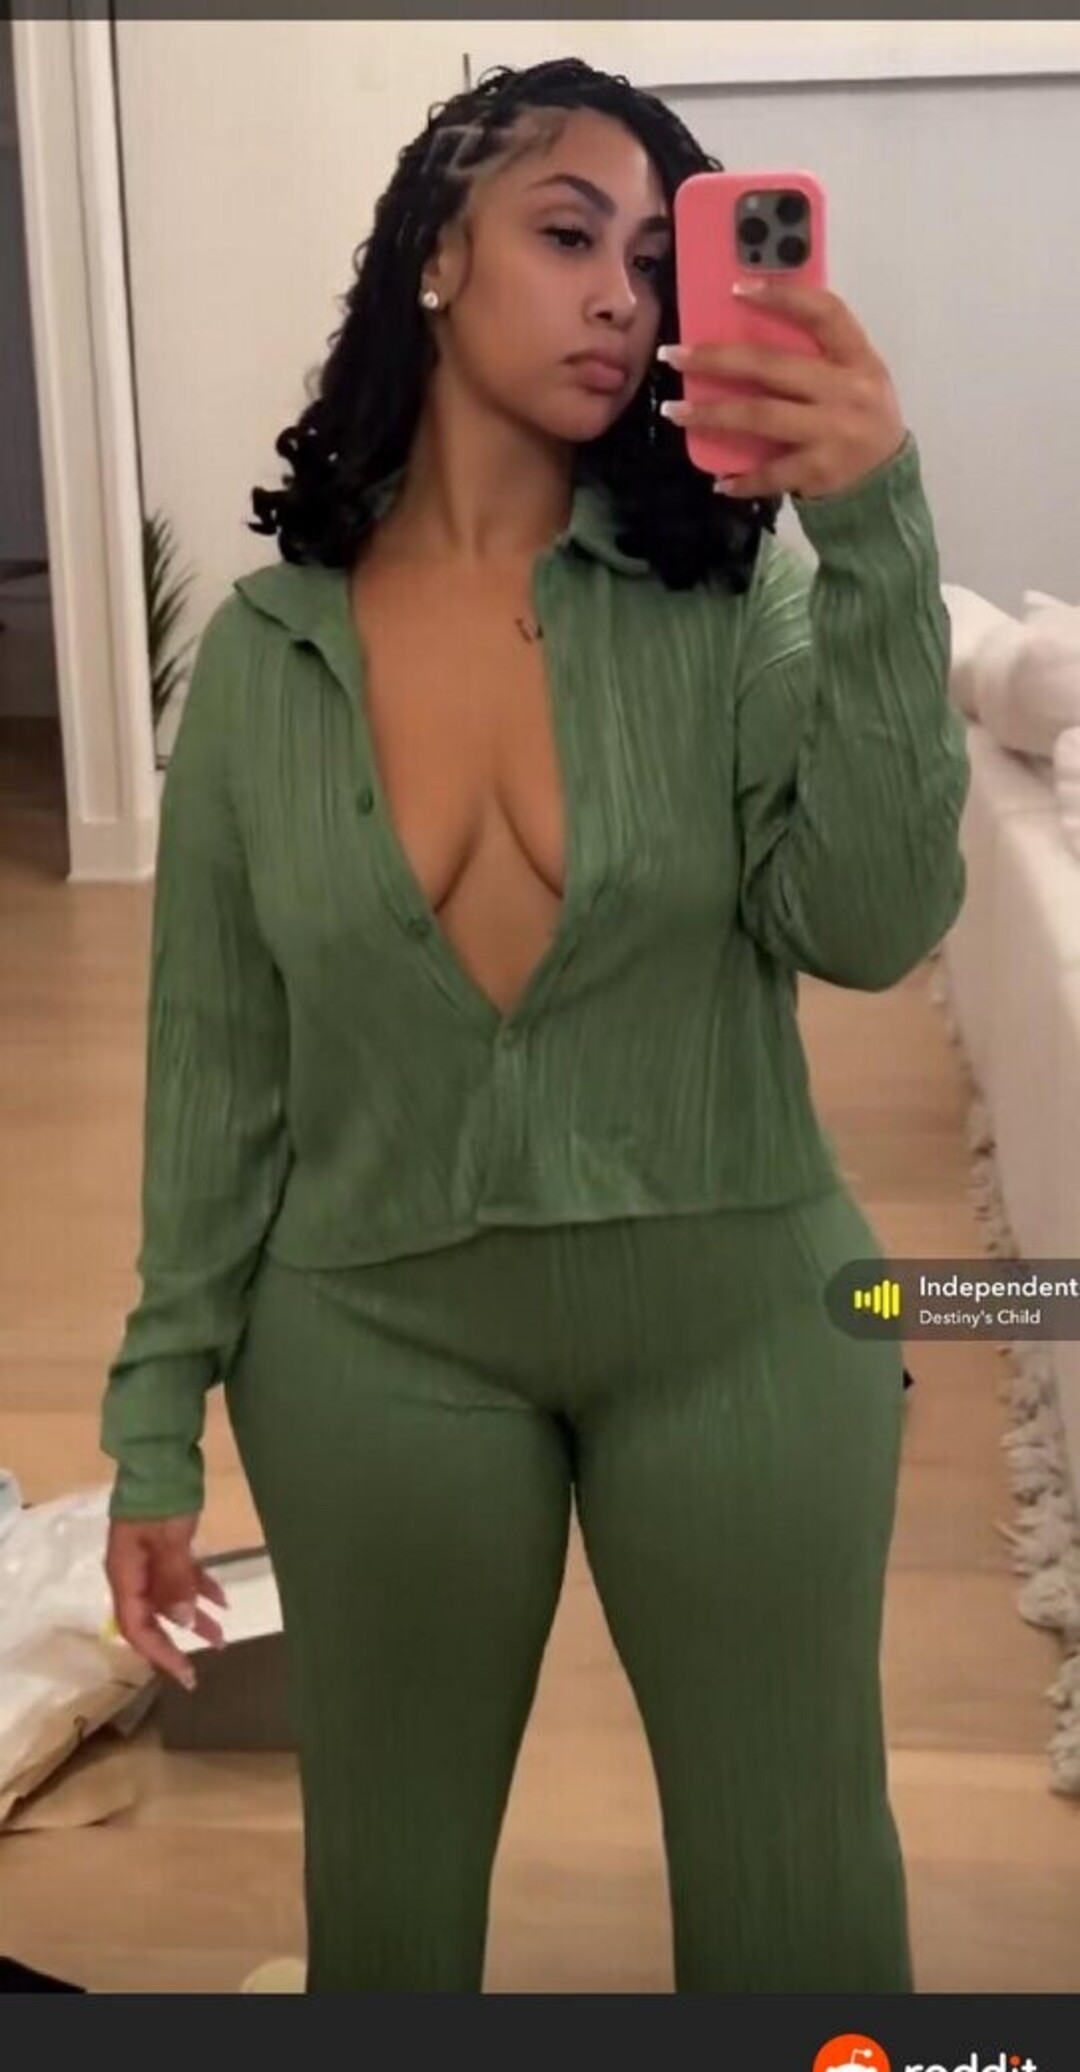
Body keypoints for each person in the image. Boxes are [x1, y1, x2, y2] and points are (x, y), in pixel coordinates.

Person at [101, 58, 970, 1993]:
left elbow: (872, 922)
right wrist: (153, 1431)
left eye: (656, 262)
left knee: (803, 1903)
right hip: (370, 1340)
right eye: (569, 234)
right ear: (435, 253)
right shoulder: (265, 659)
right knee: (389, 1915)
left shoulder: (734, 603)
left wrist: (879, 530)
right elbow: (213, 1076)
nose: (621, 298)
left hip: (746, 1322)